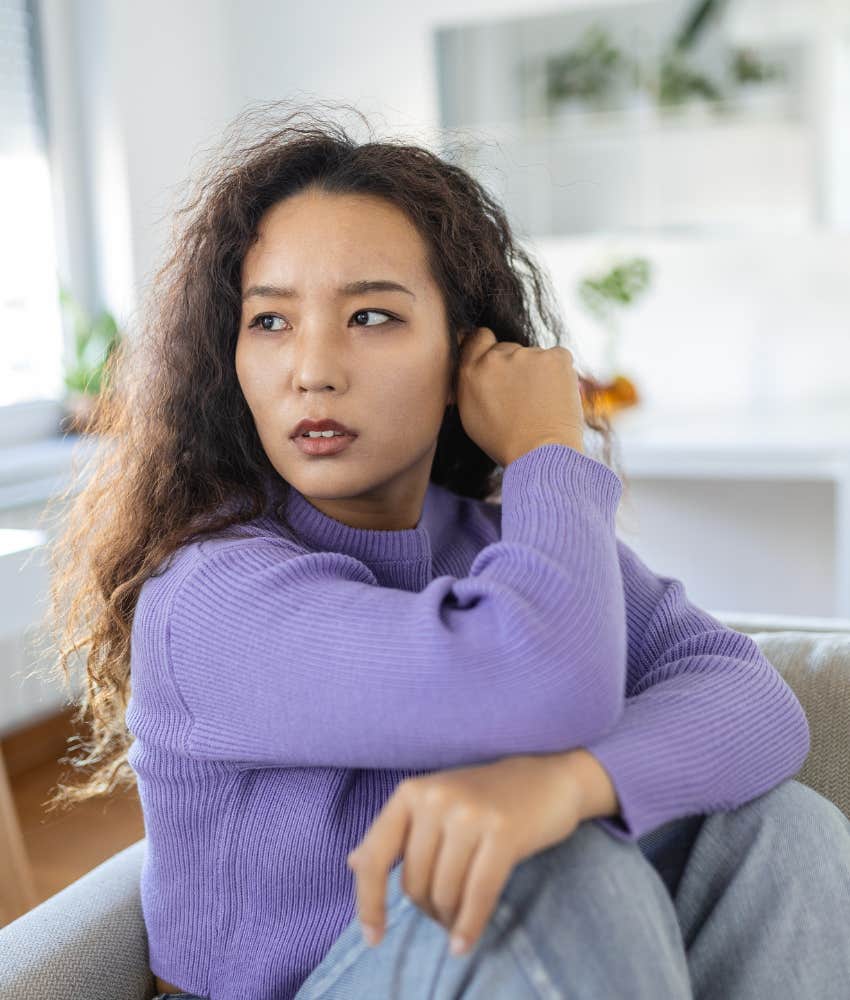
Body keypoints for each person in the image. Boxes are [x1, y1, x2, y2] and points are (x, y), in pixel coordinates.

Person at [39, 101, 850, 1000]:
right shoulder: (211, 595)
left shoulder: (495, 544)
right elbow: (540, 679)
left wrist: (570, 785)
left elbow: (756, 700)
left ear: (468, 353)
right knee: (558, 878)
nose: (312, 368)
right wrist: (549, 452)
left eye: (373, 317)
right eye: (270, 322)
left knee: (786, 829)